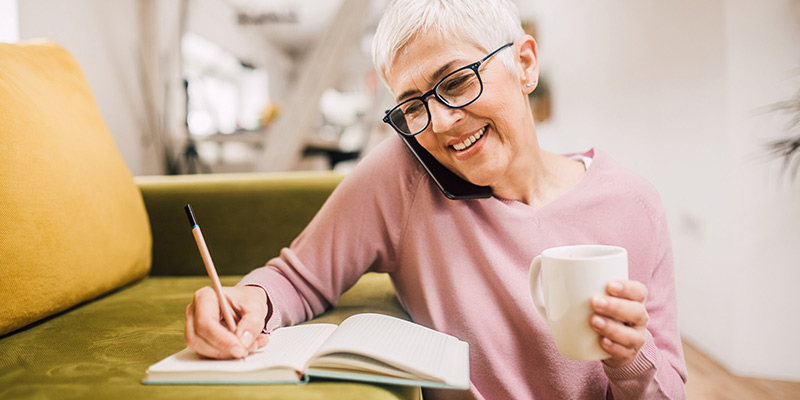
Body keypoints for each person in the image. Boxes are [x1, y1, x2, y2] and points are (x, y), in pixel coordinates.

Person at [184, 0, 688, 398]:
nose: (442, 122)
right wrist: (246, 301)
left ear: (525, 64)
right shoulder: (403, 176)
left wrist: (630, 358)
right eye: (412, 105)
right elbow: (298, 277)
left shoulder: (632, 205)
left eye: (457, 82)